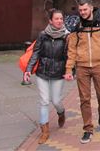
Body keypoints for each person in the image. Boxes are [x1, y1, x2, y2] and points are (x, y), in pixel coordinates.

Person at [64, 0, 100, 144]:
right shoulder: (77, 26)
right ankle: (87, 129)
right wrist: (69, 68)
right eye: (80, 11)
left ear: (91, 9)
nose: (82, 13)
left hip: (99, 66)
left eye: (85, 10)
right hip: (82, 67)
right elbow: (72, 49)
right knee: (84, 99)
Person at [24, 9, 69, 144]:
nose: (59, 21)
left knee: (55, 101)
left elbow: (70, 56)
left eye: (61, 18)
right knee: (44, 101)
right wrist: (28, 70)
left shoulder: (67, 36)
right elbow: (36, 53)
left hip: (58, 72)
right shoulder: (43, 35)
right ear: (50, 20)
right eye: (56, 19)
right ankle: (45, 131)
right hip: (42, 72)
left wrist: (69, 71)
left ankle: (61, 113)